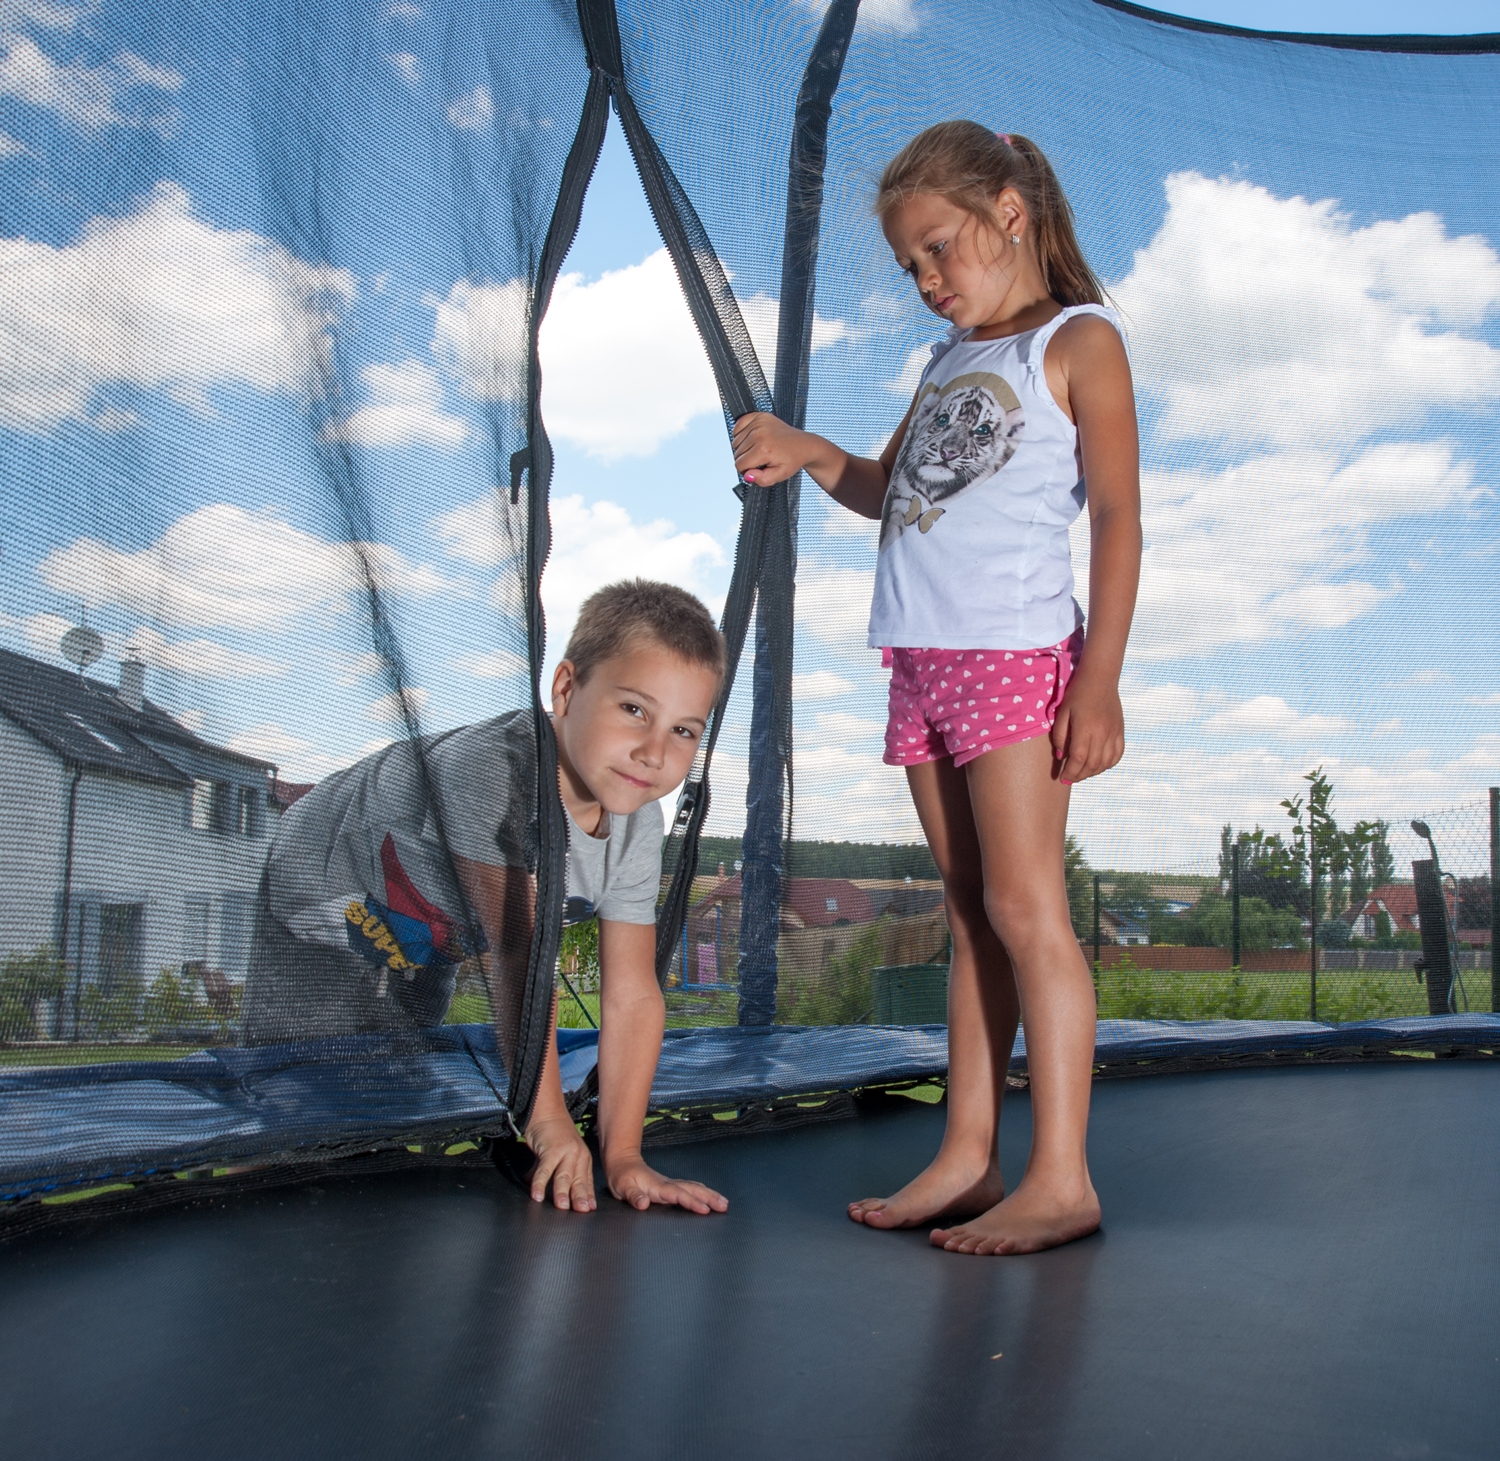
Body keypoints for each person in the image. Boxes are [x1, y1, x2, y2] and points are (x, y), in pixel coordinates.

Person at [732, 122, 1141, 1255]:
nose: (925, 280)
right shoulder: (946, 360)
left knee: (1025, 909)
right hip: (919, 660)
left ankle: (1062, 1177)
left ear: (1009, 210)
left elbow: (1117, 515)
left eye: (937, 249)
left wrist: (1099, 678)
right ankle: (968, 1156)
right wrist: (812, 451)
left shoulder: (1077, 340)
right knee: (969, 913)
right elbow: (886, 488)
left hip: (1012, 656)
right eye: (910, 265)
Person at [243, 579, 730, 1220]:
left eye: (684, 730)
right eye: (635, 710)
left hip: (433, 933)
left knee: (400, 1084)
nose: (654, 752)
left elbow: (633, 994)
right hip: (324, 895)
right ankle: (241, 1189)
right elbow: (518, 953)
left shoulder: (638, 822)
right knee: (289, 1097)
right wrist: (547, 1122)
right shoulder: (493, 772)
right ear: (565, 690)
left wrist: (623, 1156)